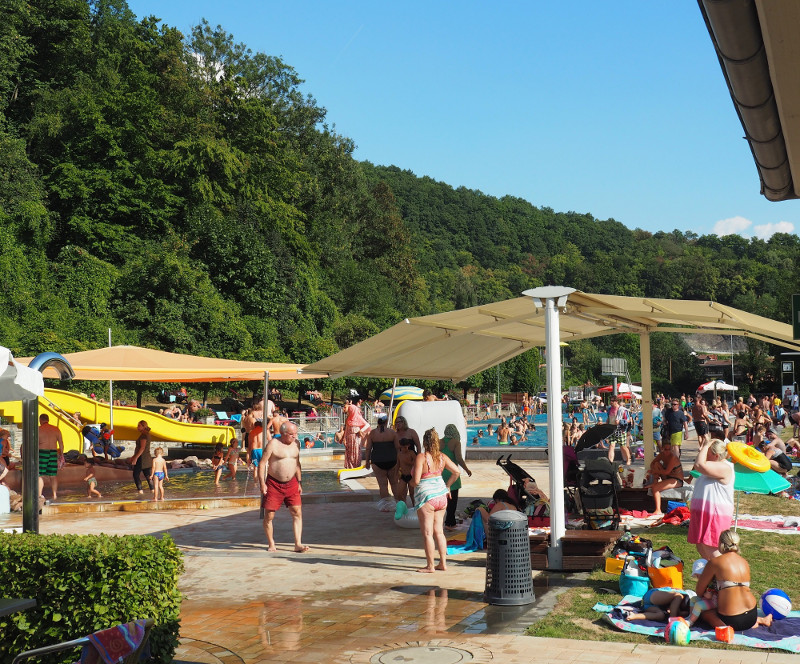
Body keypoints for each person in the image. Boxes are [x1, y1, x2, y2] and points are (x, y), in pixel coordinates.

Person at [691, 529, 773, 631]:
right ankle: (759, 620)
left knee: (704, 611)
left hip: (732, 618)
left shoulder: (715, 562)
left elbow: (699, 591)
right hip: (751, 614)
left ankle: (724, 628)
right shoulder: (744, 562)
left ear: (720, 543)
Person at [410, 428, 460, 573]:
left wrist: (410, 483)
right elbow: (456, 472)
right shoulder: (442, 457)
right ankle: (443, 563)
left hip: (427, 498)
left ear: (425, 441)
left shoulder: (421, 457)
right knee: (439, 532)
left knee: (427, 533)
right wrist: (448, 486)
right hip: (441, 496)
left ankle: (430, 566)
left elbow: (417, 480)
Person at [257, 421, 309, 553]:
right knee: (269, 516)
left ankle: (298, 543)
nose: (295, 436)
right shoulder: (273, 444)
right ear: (284, 433)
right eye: (292, 434)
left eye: (296, 433)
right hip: (274, 484)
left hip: (292, 483)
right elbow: (262, 464)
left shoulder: (296, 444)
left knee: (297, 512)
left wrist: (299, 481)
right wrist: (262, 484)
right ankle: (271, 543)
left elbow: (297, 463)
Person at [688, 438, 734, 559]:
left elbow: (699, 464)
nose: (701, 452)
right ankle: (711, 574)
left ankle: (722, 574)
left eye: (705, 451)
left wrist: (707, 444)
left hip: (715, 513)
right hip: (704, 512)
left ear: (716, 455)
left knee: (712, 547)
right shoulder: (713, 466)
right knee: (701, 545)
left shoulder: (725, 467)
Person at [440, 424, 472, 528]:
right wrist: (466, 469)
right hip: (452, 473)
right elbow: (458, 458)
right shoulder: (455, 442)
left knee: (442, 499)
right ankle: (450, 522)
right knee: (452, 500)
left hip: (441, 474)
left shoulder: (439, 442)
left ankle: (442, 521)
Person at [644, 439, 684, 516]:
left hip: (677, 480)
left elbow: (666, 472)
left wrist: (654, 472)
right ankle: (655, 483)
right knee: (656, 464)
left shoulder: (673, 457)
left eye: (669, 449)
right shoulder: (662, 454)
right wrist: (654, 469)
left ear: (671, 449)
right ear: (662, 449)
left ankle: (658, 510)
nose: (667, 451)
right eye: (665, 449)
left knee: (655, 488)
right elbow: (653, 463)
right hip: (667, 477)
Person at [364, 413, 398, 500]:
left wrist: (367, 461)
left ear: (377, 421)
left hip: (378, 461)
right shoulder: (392, 433)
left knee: (382, 485)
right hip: (392, 460)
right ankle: (398, 503)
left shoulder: (372, 433)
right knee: (394, 484)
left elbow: (368, 449)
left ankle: (386, 505)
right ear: (386, 421)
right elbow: (398, 448)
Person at [38, 413, 64, 501]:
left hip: (42, 453)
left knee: (40, 475)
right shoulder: (56, 429)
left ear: (40, 420)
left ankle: (39, 495)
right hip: (53, 452)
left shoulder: (38, 429)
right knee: (53, 475)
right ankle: (55, 495)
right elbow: (61, 444)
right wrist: (62, 455)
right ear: (48, 419)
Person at [343, 395, 370, 469]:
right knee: (349, 453)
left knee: (356, 453)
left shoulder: (357, 417)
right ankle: (350, 467)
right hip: (349, 438)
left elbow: (367, 425)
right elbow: (346, 429)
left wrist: (361, 430)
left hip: (355, 439)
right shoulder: (348, 419)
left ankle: (356, 466)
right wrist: (344, 438)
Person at [606, 396, 631, 465]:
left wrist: (620, 421)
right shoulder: (609, 409)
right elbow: (608, 419)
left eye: (612, 401)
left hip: (620, 430)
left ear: (616, 401)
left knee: (623, 446)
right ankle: (610, 461)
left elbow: (628, 420)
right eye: (610, 401)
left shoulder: (622, 410)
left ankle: (628, 459)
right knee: (611, 445)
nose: (611, 402)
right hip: (612, 429)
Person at [131, 420, 154, 494]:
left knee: (136, 474)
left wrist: (135, 458)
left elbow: (142, 448)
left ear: (143, 427)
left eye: (139, 426)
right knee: (148, 475)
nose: (137, 427)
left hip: (142, 458)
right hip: (146, 457)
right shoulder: (147, 434)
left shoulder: (144, 435)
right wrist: (134, 456)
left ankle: (140, 491)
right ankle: (153, 490)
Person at [396, 436, 417, 505]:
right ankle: (403, 505)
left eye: (405, 447)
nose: (404, 449)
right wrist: (396, 474)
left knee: (412, 494)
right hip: (403, 475)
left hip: (411, 476)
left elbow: (417, 463)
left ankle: (414, 506)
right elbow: (398, 465)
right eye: (402, 447)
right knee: (399, 493)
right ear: (400, 446)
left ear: (408, 446)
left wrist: (409, 463)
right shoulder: (399, 454)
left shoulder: (411, 453)